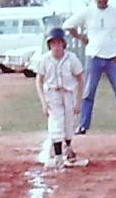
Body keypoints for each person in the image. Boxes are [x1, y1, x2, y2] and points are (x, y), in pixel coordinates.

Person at [64, 0, 116, 133]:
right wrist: (80, 37)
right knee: (88, 92)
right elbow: (68, 25)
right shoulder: (88, 12)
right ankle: (83, 125)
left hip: (112, 58)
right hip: (94, 57)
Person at [35, 27, 85, 170]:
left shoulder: (71, 58)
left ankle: (68, 147)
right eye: (53, 43)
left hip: (68, 93)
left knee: (69, 123)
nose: (56, 47)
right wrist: (43, 102)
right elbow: (39, 80)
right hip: (52, 93)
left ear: (64, 44)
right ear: (49, 45)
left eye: (59, 43)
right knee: (56, 122)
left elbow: (80, 79)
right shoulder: (45, 59)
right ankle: (57, 156)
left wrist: (78, 101)